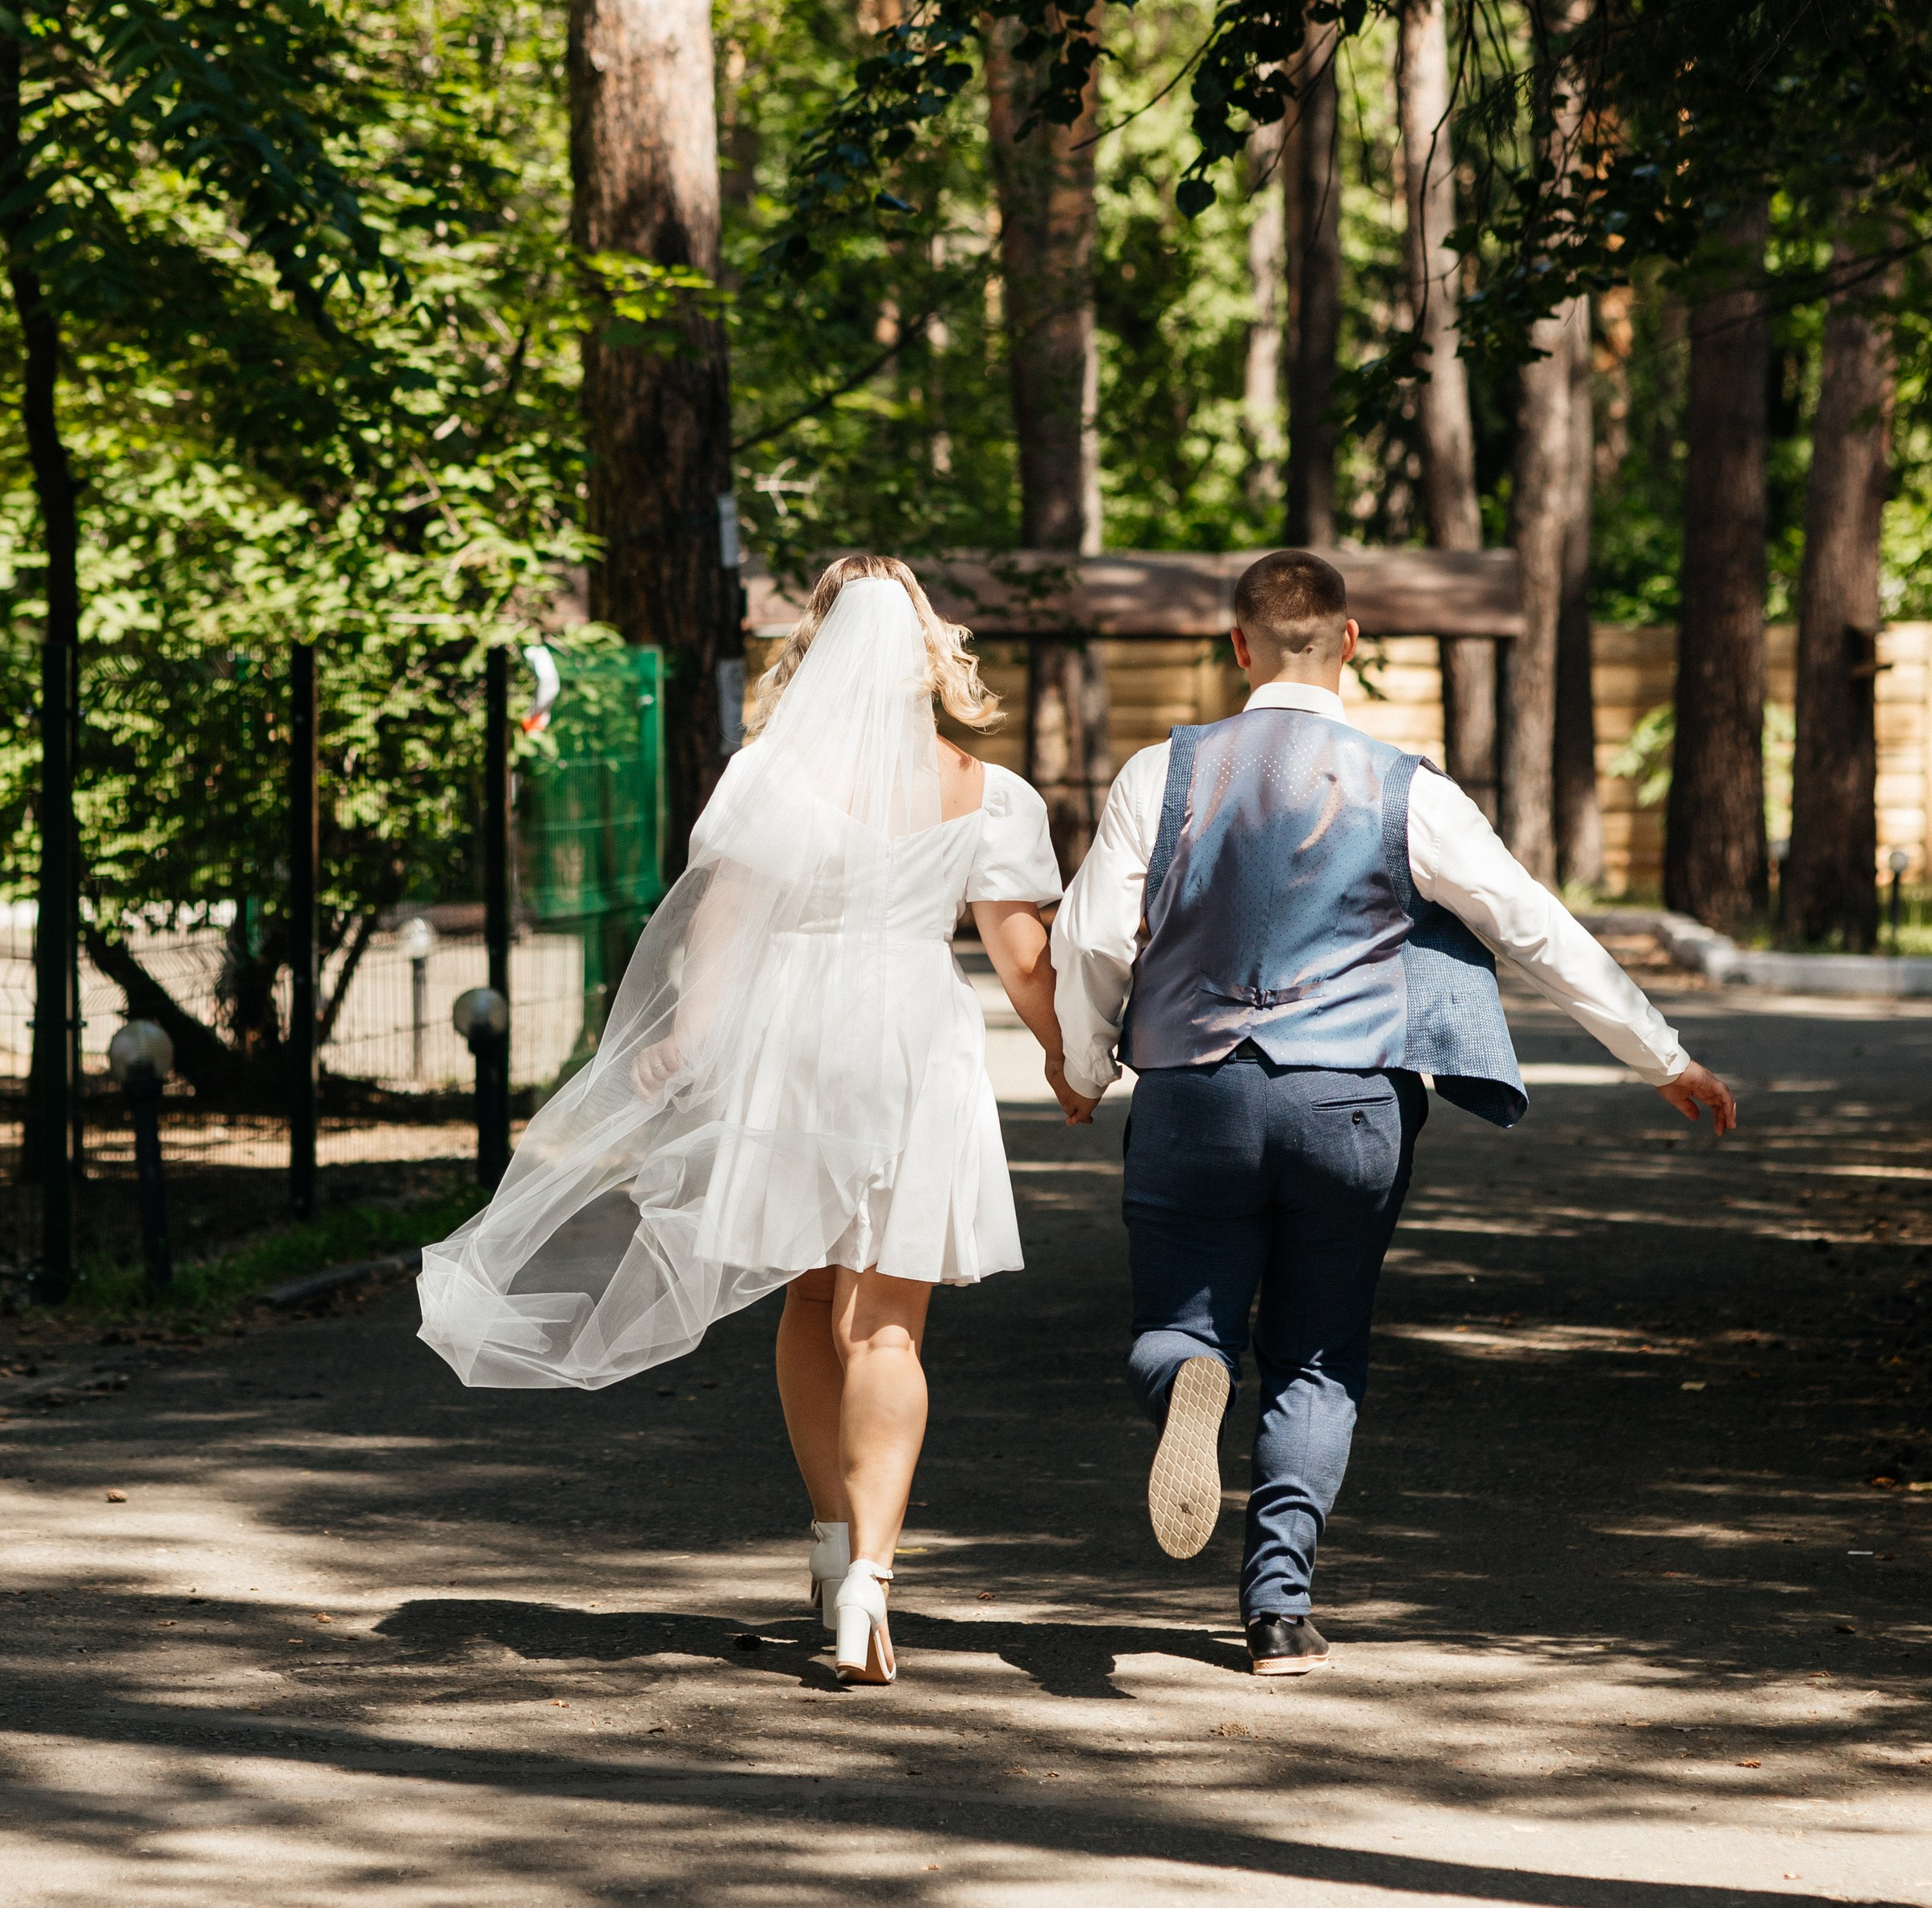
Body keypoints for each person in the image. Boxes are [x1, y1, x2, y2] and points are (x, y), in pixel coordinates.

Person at [1050, 547, 1737, 1678]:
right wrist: (1660, 1054)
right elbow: (1530, 924)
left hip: (1194, 1096)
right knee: (1318, 1356)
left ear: (1237, 647)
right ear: (1351, 644)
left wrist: (1082, 1068)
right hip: (1349, 1101)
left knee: (1177, 1324)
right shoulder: (1406, 787)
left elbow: (1091, 936)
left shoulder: (1157, 775)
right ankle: (1276, 1612)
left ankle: (1188, 1383)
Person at [418, 555, 1074, 1686]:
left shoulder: (767, 776)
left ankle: (827, 1546)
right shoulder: (990, 792)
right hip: (914, 1033)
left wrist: (687, 1039)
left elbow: (717, 925)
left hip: (795, 1036)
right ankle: (871, 1571)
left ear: (816, 650)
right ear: (923, 648)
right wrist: (1073, 1051)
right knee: (888, 1316)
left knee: (810, 1291)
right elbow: (1023, 959)